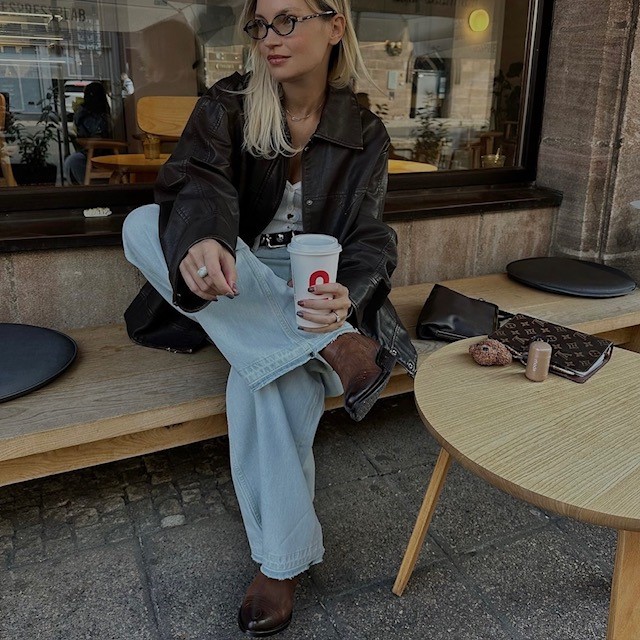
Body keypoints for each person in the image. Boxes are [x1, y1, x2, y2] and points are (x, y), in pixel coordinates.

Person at [121, 0, 417, 635]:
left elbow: (370, 236)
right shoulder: (226, 106)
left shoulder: (365, 133)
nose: (270, 38)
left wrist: (349, 291)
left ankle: (276, 566)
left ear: (335, 26)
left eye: (290, 20)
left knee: (263, 378)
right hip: (235, 275)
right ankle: (332, 347)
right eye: (260, 24)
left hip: (314, 287)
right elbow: (195, 179)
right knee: (143, 225)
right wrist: (202, 239)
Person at [63, 82, 112, 185]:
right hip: (89, 152)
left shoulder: (98, 116)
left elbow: (99, 137)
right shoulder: (84, 113)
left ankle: (90, 189)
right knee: (72, 161)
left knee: (72, 161)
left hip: (99, 153)